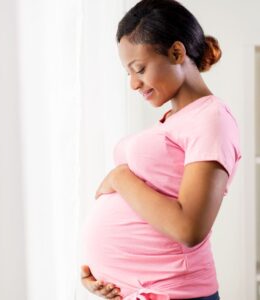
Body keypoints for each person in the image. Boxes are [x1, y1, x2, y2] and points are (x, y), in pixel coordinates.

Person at [80, 0, 242, 299]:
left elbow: (189, 228)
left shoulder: (212, 118)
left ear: (177, 53)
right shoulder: (176, 121)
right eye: (127, 72)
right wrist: (108, 277)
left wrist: (120, 178)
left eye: (139, 69)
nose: (132, 83)